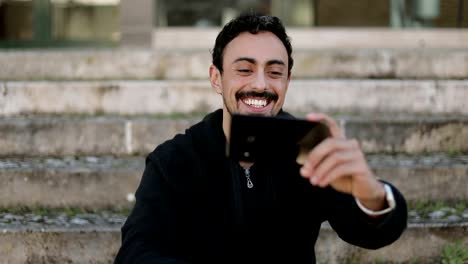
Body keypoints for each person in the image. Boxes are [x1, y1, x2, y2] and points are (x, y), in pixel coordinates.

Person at [114, 13, 407, 264]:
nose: (260, 84)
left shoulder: (308, 149)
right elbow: (137, 252)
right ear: (216, 78)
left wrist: (371, 194)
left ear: (287, 80)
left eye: (275, 71)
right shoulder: (174, 159)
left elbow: (369, 232)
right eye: (244, 69)